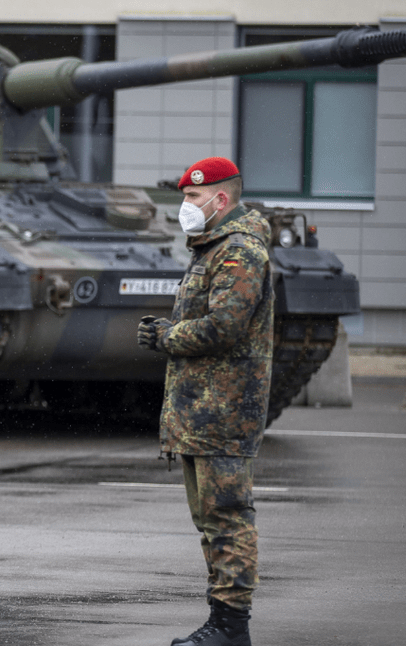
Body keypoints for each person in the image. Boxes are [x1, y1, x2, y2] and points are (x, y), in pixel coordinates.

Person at [136, 157, 273, 646]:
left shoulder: (239, 252)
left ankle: (231, 628)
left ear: (220, 199)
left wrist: (168, 336)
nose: (185, 206)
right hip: (202, 411)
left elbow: (225, 326)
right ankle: (221, 623)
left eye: (193, 197)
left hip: (225, 409)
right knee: (211, 520)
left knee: (228, 517)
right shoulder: (212, 248)